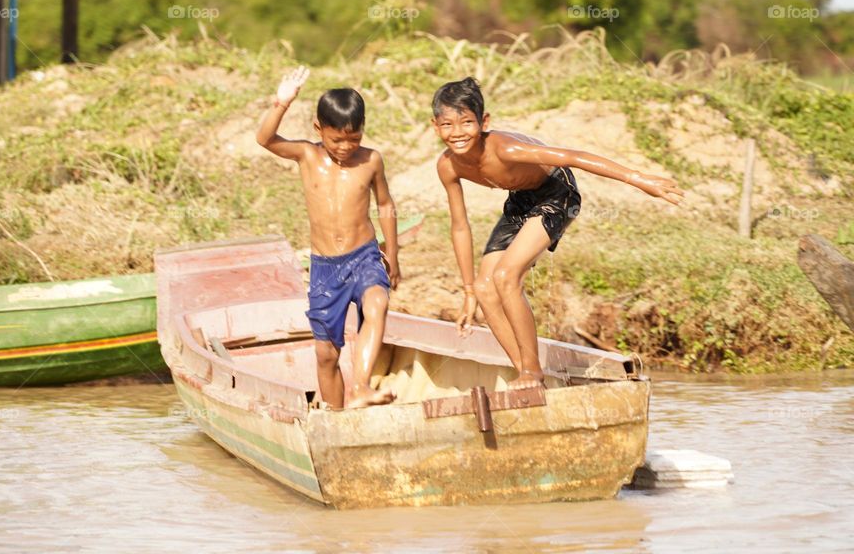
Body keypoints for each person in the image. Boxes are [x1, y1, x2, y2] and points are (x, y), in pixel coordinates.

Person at [433, 77, 683, 390]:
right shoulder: (448, 166)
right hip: (521, 199)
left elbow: (572, 157)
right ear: (435, 126)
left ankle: (531, 374)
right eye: (447, 125)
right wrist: (468, 291)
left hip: (557, 193)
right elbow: (459, 225)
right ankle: (526, 371)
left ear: (484, 122)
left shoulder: (506, 147)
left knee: (506, 276)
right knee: (485, 288)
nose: (457, 133)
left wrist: (638, 178)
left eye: (466, 122)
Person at [256, 66, 400, 409]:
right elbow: (265, 139)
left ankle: (361, 387)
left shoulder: (371, 161)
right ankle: (337, 419)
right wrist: (281, 102)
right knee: (325, 354)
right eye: (337, 139)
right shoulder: (307, 155)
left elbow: (385, 204)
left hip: (364, 255)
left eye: (355, 138)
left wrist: (392, 253)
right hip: (325, 268)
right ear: (319, 129)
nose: (346, 147)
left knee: (378, 303)